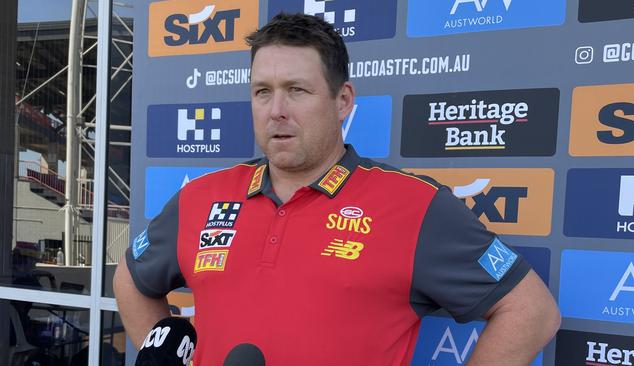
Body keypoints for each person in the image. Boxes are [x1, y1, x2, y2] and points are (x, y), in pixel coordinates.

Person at [114, 13, 560, 365]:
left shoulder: (414, 206)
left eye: (297, 90)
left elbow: (531, 311)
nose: (277, 111)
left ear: (343, 101)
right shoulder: (201, 197)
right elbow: (131, 279)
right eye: (262, 92)